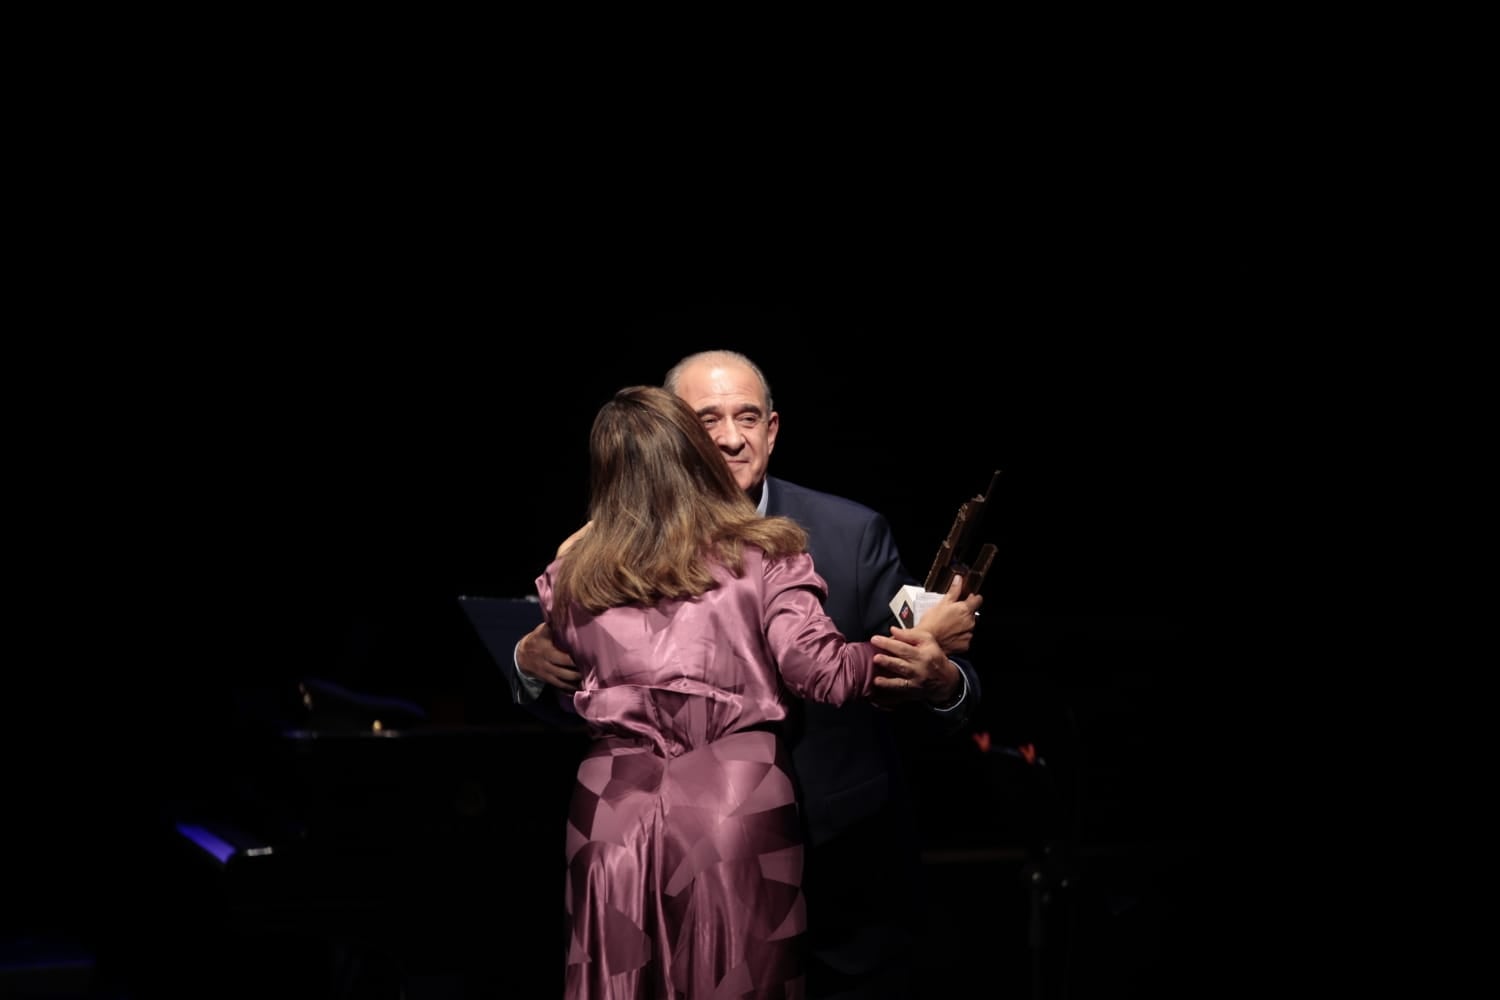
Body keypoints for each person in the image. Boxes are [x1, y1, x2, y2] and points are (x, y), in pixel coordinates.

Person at [512, 350, 985, 998]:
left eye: (748, 417)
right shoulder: (747, 551)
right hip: (719, 817)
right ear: (678, 434)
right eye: (709, 420)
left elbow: (596, 661)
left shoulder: (846, 532)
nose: (732, 438)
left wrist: (938, 669)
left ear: (773, 428)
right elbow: (819, 667)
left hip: (831, 845)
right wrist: (525, 660)